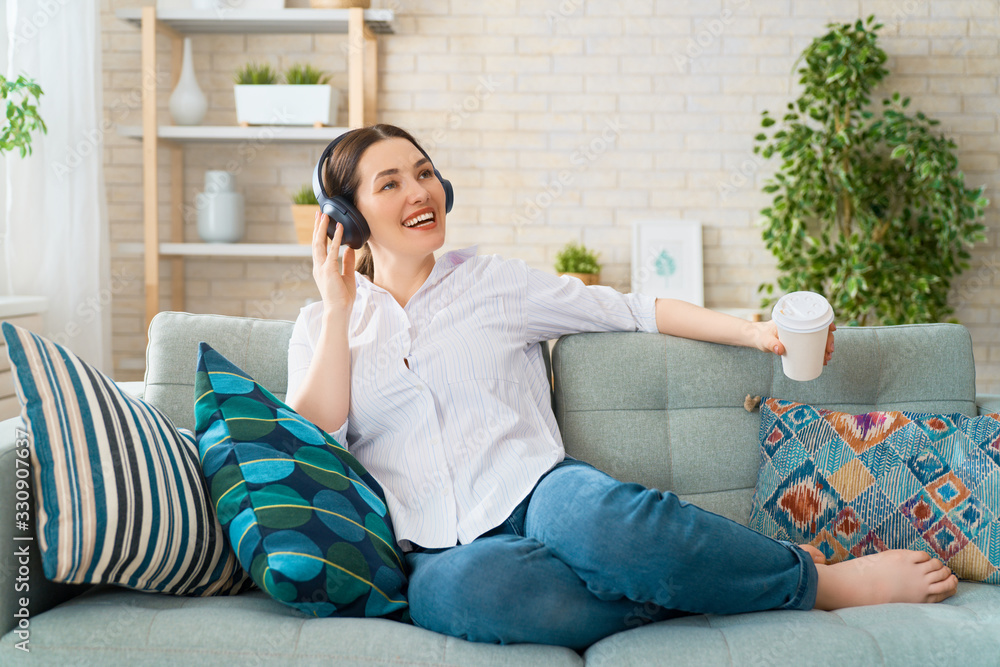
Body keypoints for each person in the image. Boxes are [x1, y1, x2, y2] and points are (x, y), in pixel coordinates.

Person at [286, 124, 958, 650]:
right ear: (344, 216)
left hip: (540, 489)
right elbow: (313, 442)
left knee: (606, 522)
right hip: (437, 544)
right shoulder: (323, 322)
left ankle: (817, 582)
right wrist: (341, 308)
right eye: (391, 183)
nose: (419, 192)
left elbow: (631, 308)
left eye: (426, 173)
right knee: (456, 599)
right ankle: (716, 581)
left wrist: (756, 334)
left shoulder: (493, 283)